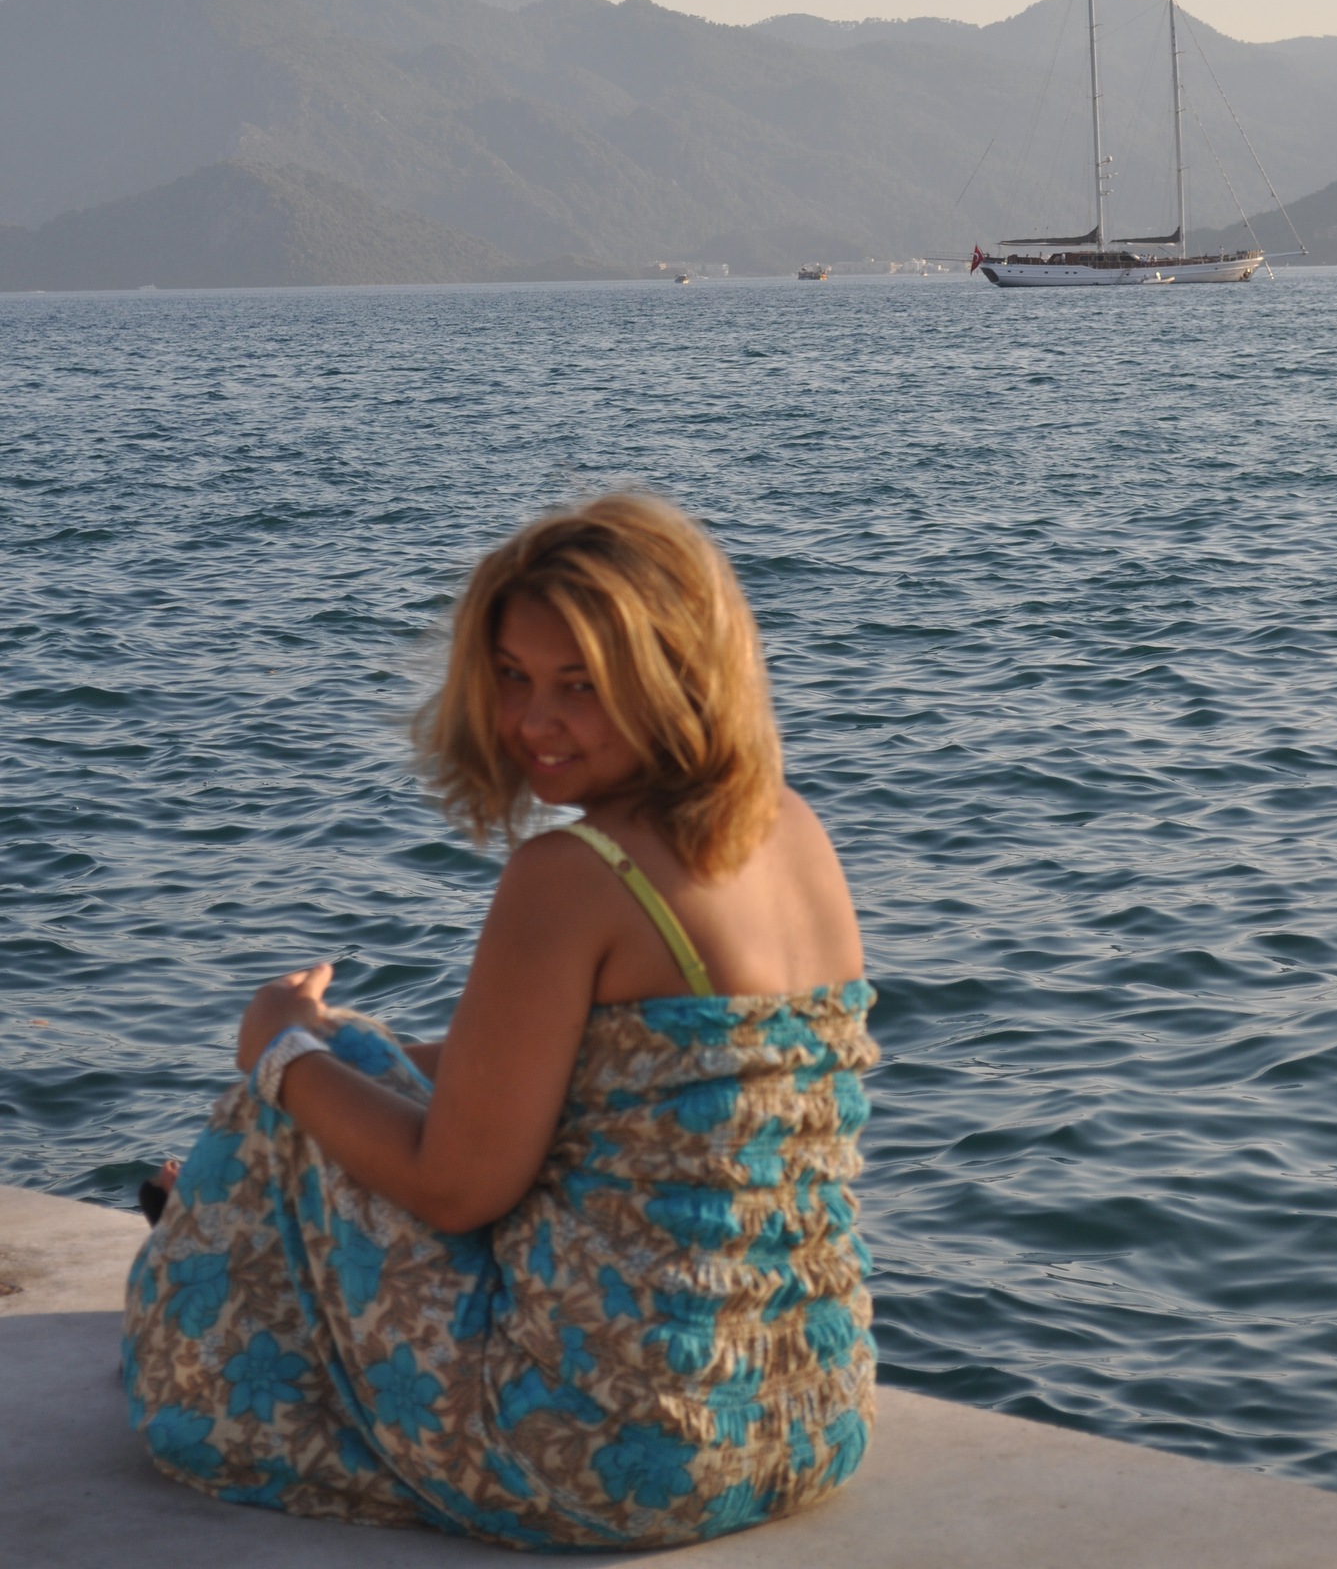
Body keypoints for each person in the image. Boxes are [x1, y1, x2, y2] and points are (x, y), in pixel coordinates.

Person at [123, 494, 878, 1550]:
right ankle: (224, 1187)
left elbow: (458, 1186)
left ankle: (198, 1231)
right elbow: (650, 1071)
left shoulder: (574, 873)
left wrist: (279, 1051)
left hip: (608, 1455)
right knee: (348, 1056)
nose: (534, 721)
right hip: (804, 1422)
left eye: (583, 683)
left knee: (286, 1096)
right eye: (513, 677)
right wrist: (349, 1055)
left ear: (681, 673)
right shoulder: (793, 829)